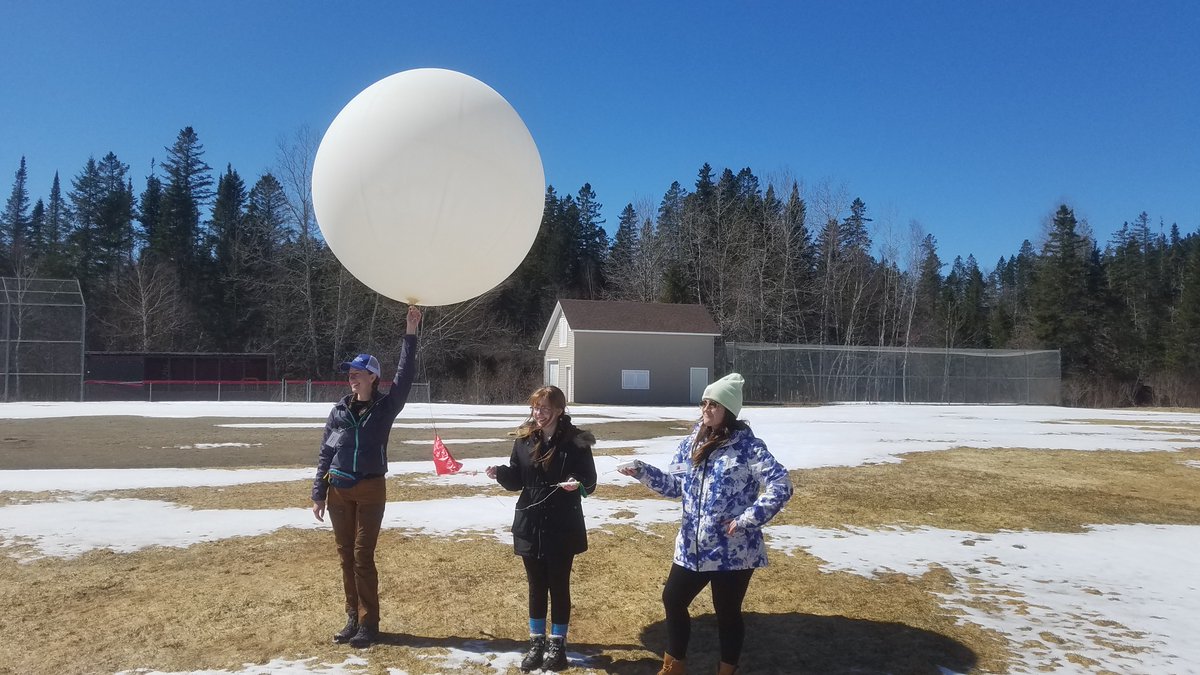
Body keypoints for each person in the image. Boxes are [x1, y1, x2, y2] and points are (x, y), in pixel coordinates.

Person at [619, 373, 793, 675]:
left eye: (714, 404)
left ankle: (726, 671)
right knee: (673, 598)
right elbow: (675, 486)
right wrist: (642, 472)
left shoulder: (748, 448)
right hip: (692, 545)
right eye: (704, 403)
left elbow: (781, 485)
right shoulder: (691, 443)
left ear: (729, 410)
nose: (706, 409)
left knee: (726, 613)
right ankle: (673, 667)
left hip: (733, 551)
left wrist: (746, 520)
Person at [311, 305, 422, 649]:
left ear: (373, 377)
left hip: (371, 487)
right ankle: (352, 618)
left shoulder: (386, 407)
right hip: (338, 489)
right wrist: (318, 492)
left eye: (358, 372)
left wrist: (411, 332)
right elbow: (326, 452)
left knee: (362, 556)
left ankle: (369, 622)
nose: (352, 377)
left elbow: (404, 376)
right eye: (350, 373)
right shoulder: (339, 411)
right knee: (345, 555)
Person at [485, 385, 597, 672]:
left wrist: (576, 483)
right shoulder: (524, 439)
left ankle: (557, 646)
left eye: (545, 408)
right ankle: (536, 643)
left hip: (563, 524)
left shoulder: (576, 441)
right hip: (530, 522)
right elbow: (516, 480)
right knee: (536, 586)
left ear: (559, 410)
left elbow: (590, 481)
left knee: (558, 586)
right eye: (536, 408)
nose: (539, 413)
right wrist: (500, 473)